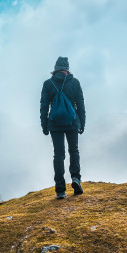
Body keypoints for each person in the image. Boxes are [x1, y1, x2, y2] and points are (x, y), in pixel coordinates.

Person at [40, 56, 86, 199]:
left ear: (55, 69)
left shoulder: (48, 84)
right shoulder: (75, 82)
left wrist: (45, 125)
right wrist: (81, 123)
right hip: (72, 122)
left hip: (55, 124)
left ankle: (60, 189)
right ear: (67, 69)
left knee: (58, 155)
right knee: (74, 150)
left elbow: (44, 107)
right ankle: (76, 178)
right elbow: (80, 105)